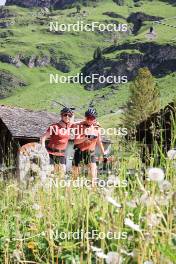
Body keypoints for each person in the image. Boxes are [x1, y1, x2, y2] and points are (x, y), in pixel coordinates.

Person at [72, 108, 107, 186]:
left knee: (93, 176)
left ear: (95, 119)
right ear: (85, 117)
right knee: (75, 177)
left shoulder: (97, 128)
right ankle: (72, 193)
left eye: (92, 118)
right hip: (79, 153)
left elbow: (99, 142)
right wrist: (86, 137)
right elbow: (76, 141)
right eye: (88, 118)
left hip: (91, 154)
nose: (89, 120)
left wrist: (104, 154)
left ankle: (93, 191)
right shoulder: (80, 126)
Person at [41, 107, 74, 176]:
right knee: (49, 176)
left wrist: (96, 123)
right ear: (61, 115)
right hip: (51, 154)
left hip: (62, 155)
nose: (67, 117)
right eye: (65, 115)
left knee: (61, 177)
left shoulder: (70, 127)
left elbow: (82, 123)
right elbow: (43, 138)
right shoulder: (54, 127)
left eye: (69, 115)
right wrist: (43, 149)